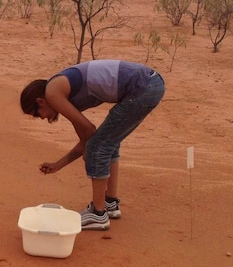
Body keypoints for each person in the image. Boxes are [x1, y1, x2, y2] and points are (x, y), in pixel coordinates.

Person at [20, 59, 165, 230]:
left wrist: (91, 155)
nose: (43, 118)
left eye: (37, 114)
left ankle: (98, 214)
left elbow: (89, 132)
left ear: (40, 101)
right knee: (108, 142)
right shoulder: (64, 95)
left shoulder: (53, 93)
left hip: (142, 87)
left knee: (100, 146)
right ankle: (110, 203)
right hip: (150, 84)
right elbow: (85, 140)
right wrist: (58, 165)